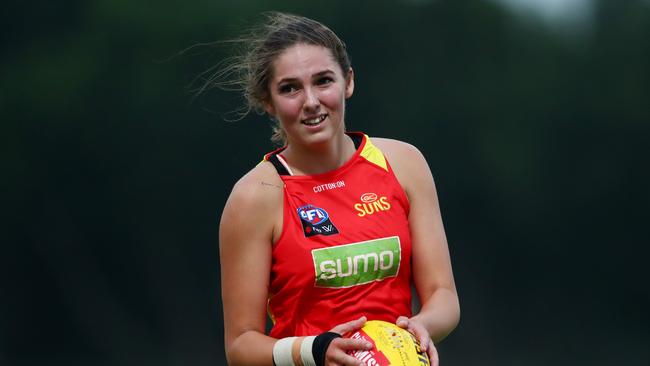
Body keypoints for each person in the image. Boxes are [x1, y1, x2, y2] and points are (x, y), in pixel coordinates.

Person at [217, 12, 459, 366]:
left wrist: (420, 328)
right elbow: (240, 346)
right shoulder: (255, 196)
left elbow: (443, 294)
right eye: (290, 88)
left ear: (348, 82)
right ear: (268, 102)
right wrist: (314, 351)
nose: (311, 101)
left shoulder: (404, 164)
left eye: (323, 81)